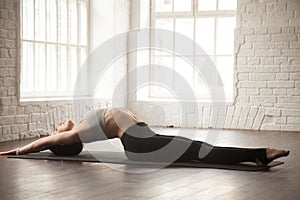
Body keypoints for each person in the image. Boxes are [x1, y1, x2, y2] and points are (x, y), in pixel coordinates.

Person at [0, 107, 290, 166]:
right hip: (139, 143)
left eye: (56, 128)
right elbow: (43, 144)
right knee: (199, 148)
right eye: (56, 131)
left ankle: (257, 154)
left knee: (197, 147)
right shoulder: (73, 135)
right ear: (66, 142)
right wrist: (15, 152)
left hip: (142, 139)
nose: (57, 126)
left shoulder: (78, 130)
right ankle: (259, 154)